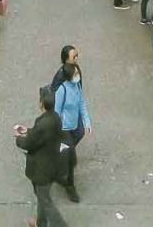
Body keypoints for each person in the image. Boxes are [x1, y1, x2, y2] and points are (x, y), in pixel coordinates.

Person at [14, 86, 66, 227]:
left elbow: (29, 143)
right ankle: (41, 223)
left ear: (41, 103)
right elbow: (42, 136)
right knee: (42, 198)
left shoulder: (43, 123)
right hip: (52, 165)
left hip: (42, 171)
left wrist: (19, 138)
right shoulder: (55, 118)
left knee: (45, 201)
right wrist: (29, 130)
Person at [54, 63, 91, 203]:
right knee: (71, 159)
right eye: (75, 74)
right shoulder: (62, 90)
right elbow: (56, 112)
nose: (78, 76)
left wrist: (87, 122)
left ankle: (58, 161)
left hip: (75, 125)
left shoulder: (77, 87)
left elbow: (82, 104)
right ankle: (70, 186)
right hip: (64, 129)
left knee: (70, 149)